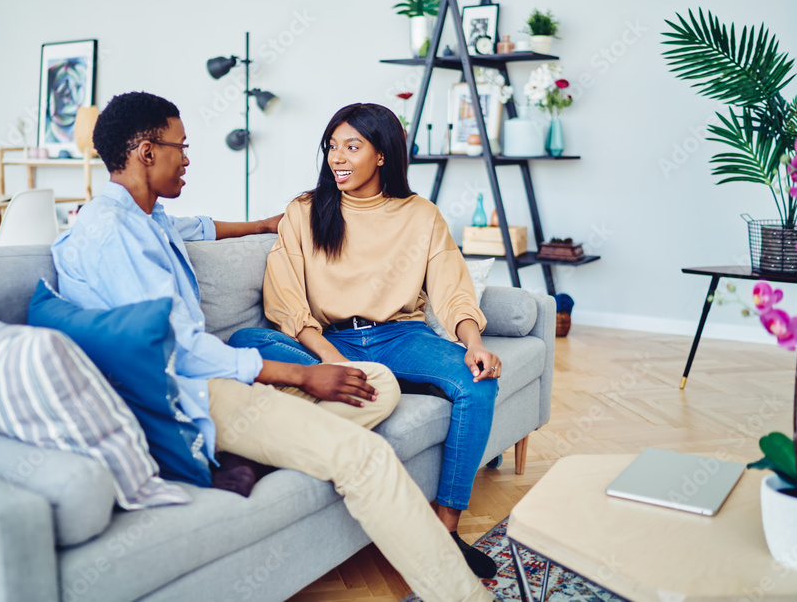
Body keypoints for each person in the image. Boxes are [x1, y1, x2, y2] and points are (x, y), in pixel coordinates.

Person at [51, 91, 494, 602]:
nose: (189, 157)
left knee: (382, 384)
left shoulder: (143, 218)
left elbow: (192, 227)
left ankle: (268, 448)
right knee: (360, 447)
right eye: (182, 146)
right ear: (147, 152)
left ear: (382, 154)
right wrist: (308, 372)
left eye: (352, 146)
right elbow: (181, 348)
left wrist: (263, 225)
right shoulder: (111, 231)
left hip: (380, 341)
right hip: (184, 390)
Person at [228, 102, 501, 578]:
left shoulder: (420, 216)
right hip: (329, 341)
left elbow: (453, 291)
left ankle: (447, 531)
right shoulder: (305, 212)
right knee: (247, 339)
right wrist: (328, 357)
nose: (338, 157)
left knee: (477, 383)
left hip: (401, 337)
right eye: (332, 146)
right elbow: (285, 298)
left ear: (381, 155)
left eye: (352, 146)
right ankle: (321, 406)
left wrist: (473, 342)